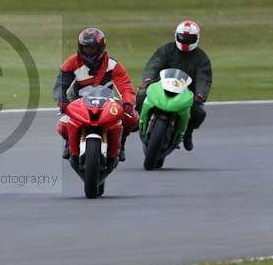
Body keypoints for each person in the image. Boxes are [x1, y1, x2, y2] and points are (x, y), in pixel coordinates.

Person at [53, 27, 139, 166]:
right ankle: (70, 142)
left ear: (101, 48)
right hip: (78, 102)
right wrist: (62, 101)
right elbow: (60, 85)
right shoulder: (71, 62)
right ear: (81, 47)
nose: (89, 52)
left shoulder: (113, 65)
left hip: (107, 101)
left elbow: (126, 86)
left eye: (93, 48)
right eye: (86, 48)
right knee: (62, 126)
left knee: (132, 118)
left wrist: (128, 102)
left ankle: (121, 143)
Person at [136, 20, 212, 151]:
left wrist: (201, 94)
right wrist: (148, 79)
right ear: (176, 36)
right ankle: (139, 119)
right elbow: (154, 64)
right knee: (142, 94)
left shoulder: (201, 58)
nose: (186, 41)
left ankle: (187, 133)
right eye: (183, 37)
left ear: (197, 39)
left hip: (186, 93)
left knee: (199, 112)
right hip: (162, 87)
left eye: (190, 38)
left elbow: (203, 78)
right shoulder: (166, 49)